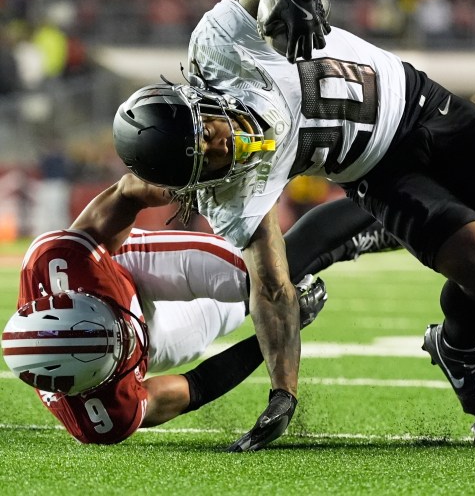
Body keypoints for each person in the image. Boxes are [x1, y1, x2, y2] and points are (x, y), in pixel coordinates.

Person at [112, 0, 475, 450]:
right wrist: (283, 390)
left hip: (420, 103)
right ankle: (459, 349)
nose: (222, 148)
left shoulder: (220, 49)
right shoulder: (231, 197)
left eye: (209, 135)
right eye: (206, 162)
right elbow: (272, 287)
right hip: (375, 172)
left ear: (199, 101)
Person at [2, 172, 398, 446]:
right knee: (263, 299)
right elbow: (195, 387)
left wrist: (193, 184)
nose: (125, 336)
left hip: (123, 270)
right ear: (90, 383)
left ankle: (397, 200)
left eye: (111, 330)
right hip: (157, 344)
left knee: (262, 273)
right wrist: (268, 336)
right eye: (116, 349)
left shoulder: (60, 260)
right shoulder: (101, 416)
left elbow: (128, 192)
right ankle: (353, 242)